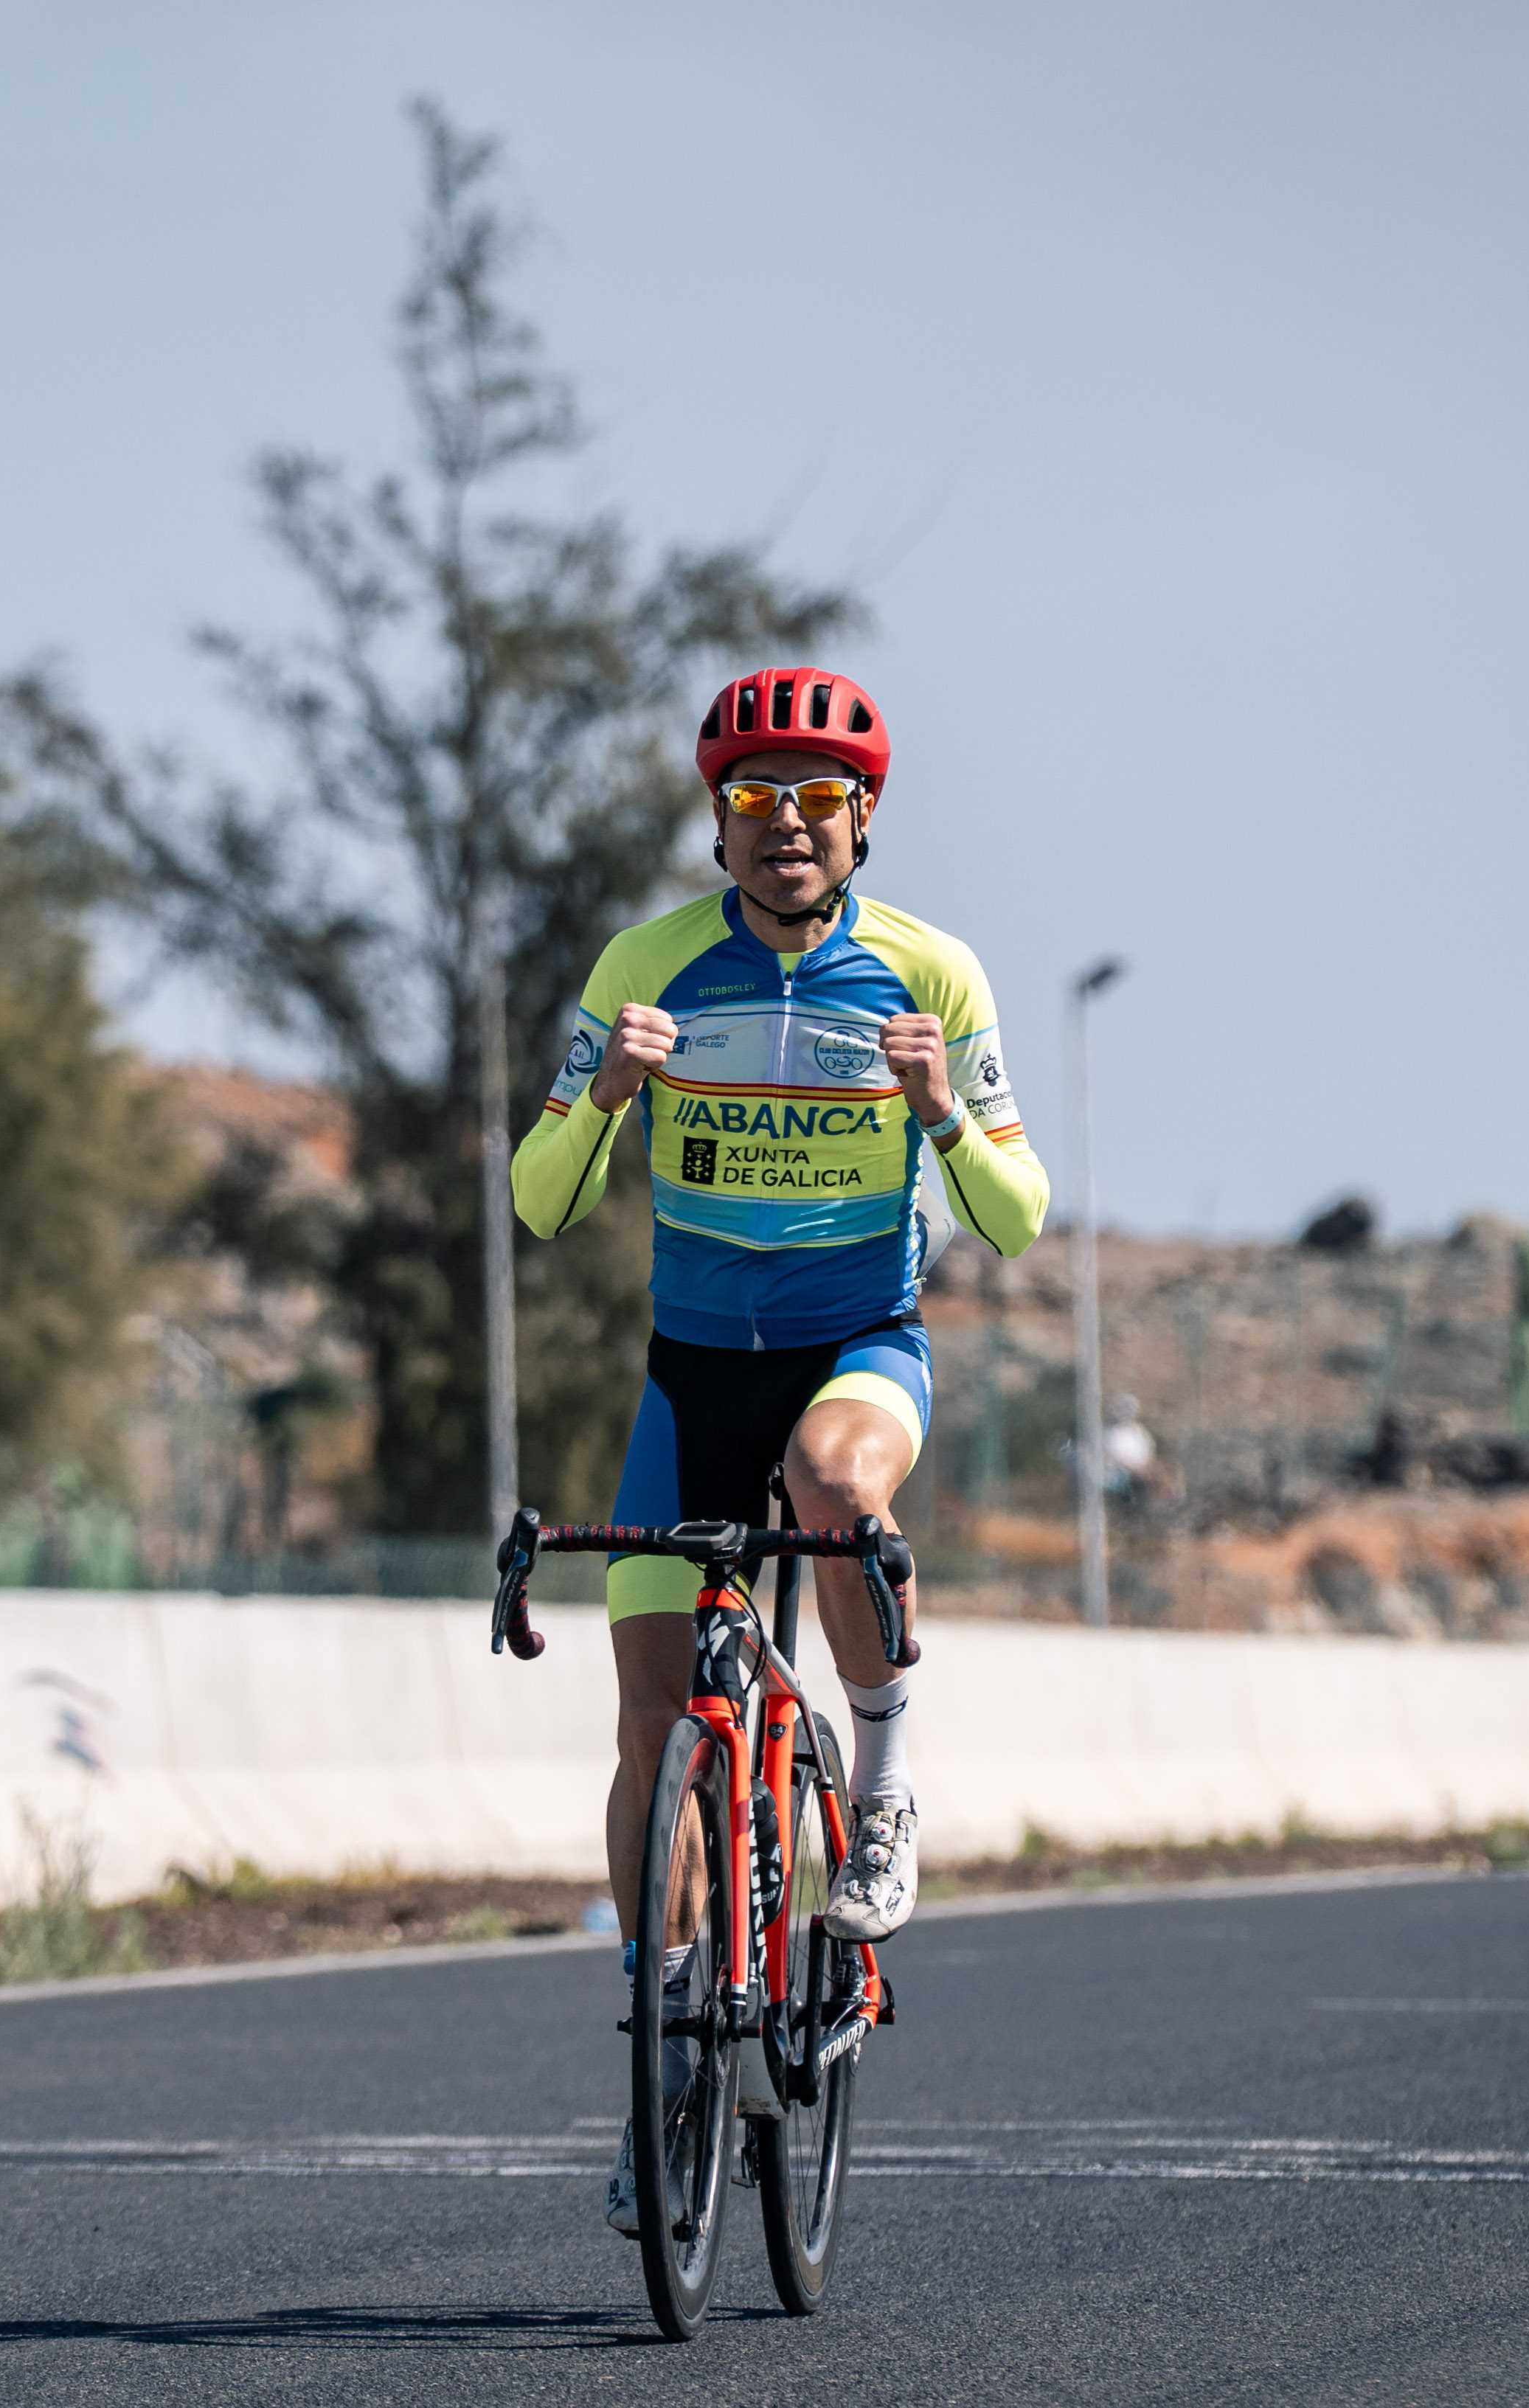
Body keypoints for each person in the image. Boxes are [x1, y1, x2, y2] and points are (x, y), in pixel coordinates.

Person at [509, 665, 1047, 2233]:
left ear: (864, 817)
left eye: (818, 801)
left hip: (856, 1346)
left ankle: (878, 1785)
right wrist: (601, 1096)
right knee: (647, 1707)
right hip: (691, 1375)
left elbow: (1015, 1223)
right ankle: (664, 2035)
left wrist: (947, 1117)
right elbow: (539, 1202)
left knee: (833, 1486)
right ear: (719, 820)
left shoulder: (930, 973)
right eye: (756, 800)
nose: (787, 827)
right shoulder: (646, 962)